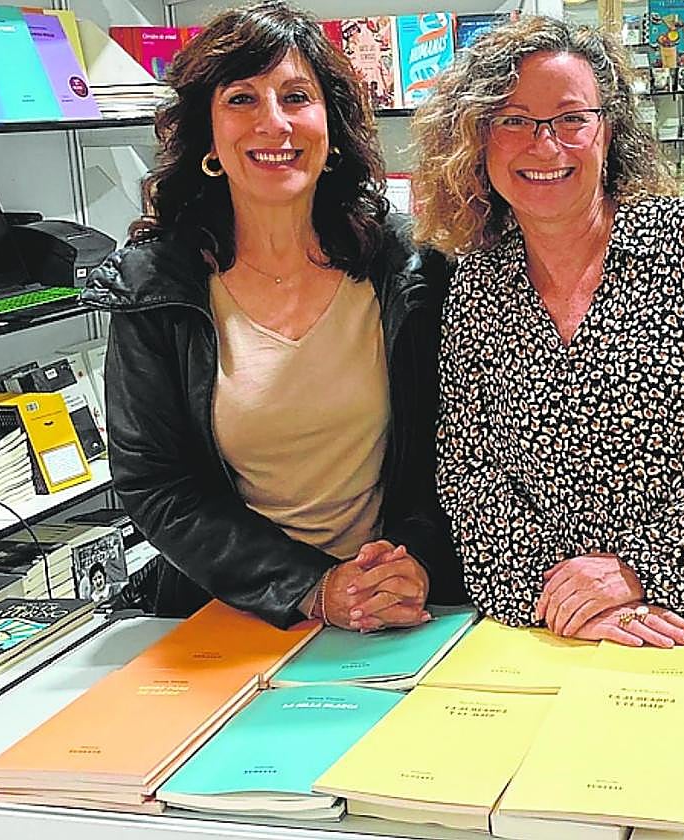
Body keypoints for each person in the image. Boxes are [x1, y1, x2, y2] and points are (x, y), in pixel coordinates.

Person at [411, 17, 684, 649]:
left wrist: (642, 570)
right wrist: (563, 599)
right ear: (478, 140)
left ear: (610, 130)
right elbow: (469, 471)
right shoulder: (478, 281)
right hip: (552, 623)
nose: (545, 147)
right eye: (513, 120)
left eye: (571, 119)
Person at [82, 1, 463, 630]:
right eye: (241, 99)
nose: (274, 123)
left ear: (330, 127)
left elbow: (454, 448)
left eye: (295, 96)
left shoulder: (406, 265)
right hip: (234, 614)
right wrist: (311, 587)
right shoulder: (158, 285)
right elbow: (156, 483)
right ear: (207, 132)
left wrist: (414, 559)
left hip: (402, 607)